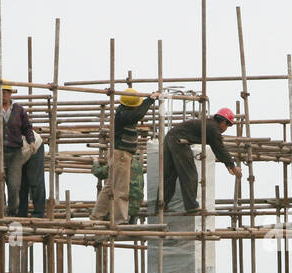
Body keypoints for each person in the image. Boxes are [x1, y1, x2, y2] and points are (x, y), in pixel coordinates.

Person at [93, 88, 158, 224]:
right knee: (122, 189)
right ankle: (119, 220)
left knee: (110, 186)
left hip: (119, 153)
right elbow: (138, 114)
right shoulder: (125, 115)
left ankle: (97, 215)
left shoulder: (123, 111)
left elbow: (138, 111)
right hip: (121, 154)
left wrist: (149, 99)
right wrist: (150, 100)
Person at [162, 107, 241, 214]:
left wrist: (228, 165)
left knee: (169, 175)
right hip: (179, 141)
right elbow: (220, 148)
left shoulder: (209, 125)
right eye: (228, 125)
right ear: (222, 121)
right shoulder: (213, 129)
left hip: (170, 137)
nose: (226, 128)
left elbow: (217, 149)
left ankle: (161, 205)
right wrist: (232, 165)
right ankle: (191, 207)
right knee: (189, 174)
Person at [0, 83, 34, 216]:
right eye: (2, 92)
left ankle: (12, 212)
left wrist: (31, 141)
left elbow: (27, 127)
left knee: (14, 185)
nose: (4, 95)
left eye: (6, 92)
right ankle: (0, 212)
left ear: (10, 94)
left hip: (14, 152)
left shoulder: (19, 110)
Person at [15, 137, 47, 219]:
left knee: (35, 181)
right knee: (19, 183)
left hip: (34, 146)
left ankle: (39, 213)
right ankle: (21, 213)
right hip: (19, 152)